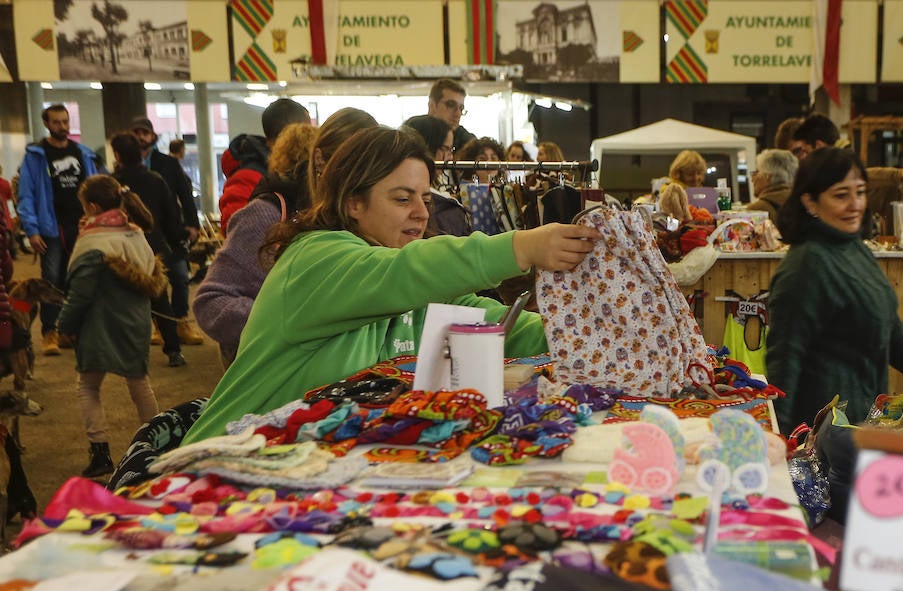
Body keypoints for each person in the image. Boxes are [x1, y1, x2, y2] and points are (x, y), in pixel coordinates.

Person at [182, 127, 599, 445]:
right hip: (218, 466)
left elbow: (496, 325)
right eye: (402, 199)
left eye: (425, 199)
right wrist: (522, 246)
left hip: (299, 471)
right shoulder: (317, 259)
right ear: (352, 203)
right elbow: (406, 271)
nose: (420, 213)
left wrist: (598, 339)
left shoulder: (414, 290)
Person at [765, 147, 903, 436]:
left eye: (860, 192)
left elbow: (890, 330)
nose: (855, 204)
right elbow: (784, 362)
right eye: (841, 195)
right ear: (810, 202)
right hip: (824, 437)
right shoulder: (804, 266)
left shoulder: (853, 247)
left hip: (864, 425)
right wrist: (783, 443)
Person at [196, 110, 377, 367]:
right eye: (351, 166)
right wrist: (286, 320)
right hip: (271, 376)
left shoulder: (362, 214)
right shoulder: (266, 214)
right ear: (320, 160)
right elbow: (211, 301)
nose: (360, 180)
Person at [56, 175, 168, 479]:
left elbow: (80, 293)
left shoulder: (94, 241)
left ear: (92, 206)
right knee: (139, 383)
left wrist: (63, 324)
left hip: (99, 326)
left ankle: (100, 452)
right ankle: (158, 443)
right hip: (136, 323)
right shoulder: (134, 233)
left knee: (88, 386)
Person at [17, 103, 103, 356]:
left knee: (79, 279)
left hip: (82, 228)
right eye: (56, 122)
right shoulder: (35, 155)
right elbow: (26, 195)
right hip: (49, 230)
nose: (62, 127)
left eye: (65, 122)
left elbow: (96, 188)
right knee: (51, 280)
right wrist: (31, 230)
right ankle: (49, 332)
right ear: (47, 124)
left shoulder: (83, 154)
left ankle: (73, 331)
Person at [110, 131, 186, 366]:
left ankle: (126, 351)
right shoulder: (156, 179)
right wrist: (177, 243)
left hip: (121, 249)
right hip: (154, 248)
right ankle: (173, 350)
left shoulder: (111, 185)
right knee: (160, 299)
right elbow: (171, 216)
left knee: (123, 301)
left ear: (117, 155)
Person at [131, 116, 203, 347]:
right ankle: (159, 326)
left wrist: (193, 223)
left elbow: (185, 194)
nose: (141, 136)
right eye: (137, 132)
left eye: (145, 132)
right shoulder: (126, 168)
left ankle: (181, 321)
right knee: (150, 281)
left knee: (180, 276)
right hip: (138, 233)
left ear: (152, 136)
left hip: (170, 230)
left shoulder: (169, 164)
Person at [785, 114, 903, 235]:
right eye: (841, 195)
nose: (854, 205)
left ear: (819, 146)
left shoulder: (839, 167)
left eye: (806, 152)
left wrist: (898, 175)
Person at [218, 97, 311, 230]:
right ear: (292, 134)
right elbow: (237, 232)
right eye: (306, 130)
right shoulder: (248, 176)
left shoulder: (296, 174)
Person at [402, 115, 470, 238]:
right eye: (446, 149)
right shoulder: (444, 208)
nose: (449, 157)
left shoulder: (444, 197)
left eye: (451, 150)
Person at [745, 149, 798, 222]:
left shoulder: (757, 209)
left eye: (756, 172)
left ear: (767, 177)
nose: (752, 179)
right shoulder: (804, 203)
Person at [428, 78, 475, 150]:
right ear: (432, 105)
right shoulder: (413, 134)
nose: (458, 114)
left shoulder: (466, 140)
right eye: (451, 105)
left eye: (461, 108)